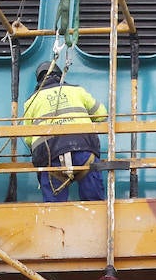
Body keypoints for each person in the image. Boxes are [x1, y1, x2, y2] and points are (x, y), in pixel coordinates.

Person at [21, 62, 108, 202]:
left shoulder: (31, 101)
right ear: (60, 75)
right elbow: (102, 114)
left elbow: (28, 138)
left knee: (54, 210)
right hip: (83, 150)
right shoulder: (77, 91)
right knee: (94, 204)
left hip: (50, 156)